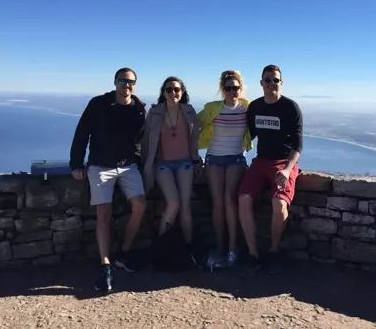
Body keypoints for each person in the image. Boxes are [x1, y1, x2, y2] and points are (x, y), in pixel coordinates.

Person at [69, 67, 147, 292]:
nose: (126, 85)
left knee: (140, 206)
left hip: (128, 165)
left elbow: (140, 139)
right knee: (104, 211)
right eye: (123, 81)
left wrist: (140, 160)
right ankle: (105, 264)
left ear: (135, 84)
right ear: (115, 82)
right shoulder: (98, 104)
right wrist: (76, 164)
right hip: (100, 166)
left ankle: (124, 252)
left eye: (130, 82)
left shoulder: (139, 108)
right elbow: (82, 133)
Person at [238, 64, 303, 277]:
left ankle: (274, 252)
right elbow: (248, 135)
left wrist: (287, 170)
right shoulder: (255, 107)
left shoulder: (290, 108)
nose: (271, 83)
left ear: (281, 83)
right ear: (261, 83)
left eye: (275, 80)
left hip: (283, 163)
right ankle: (253, 254)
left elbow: (298, 146)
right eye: (267, 79)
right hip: (260, 162)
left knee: (279, 203)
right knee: (243, 199)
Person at [141, 76, 202, 257]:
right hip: (162, 164)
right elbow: (146, 141)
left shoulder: (189, 112)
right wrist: (145, 164)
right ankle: (161, 249)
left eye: (177, 89)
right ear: (163, 92)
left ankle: (188, 250)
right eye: (169, 89)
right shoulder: (155, 112)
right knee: (173, 203)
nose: (173, 93)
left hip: (185, 163)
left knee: (185, 206)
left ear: (182, 92)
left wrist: (197, 160)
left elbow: (194, 141)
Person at [197, 70, 252, 269]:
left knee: (229, 198)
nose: (232, 92)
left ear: (241, 88)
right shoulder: (213, 108)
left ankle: (232, 247)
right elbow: (194, 124)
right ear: (223, 89)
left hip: (236, 158)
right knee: (218, 201)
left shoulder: (247, 107)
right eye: (228, 88)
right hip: (214, 158)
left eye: (236, 88)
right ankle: (220, 246)